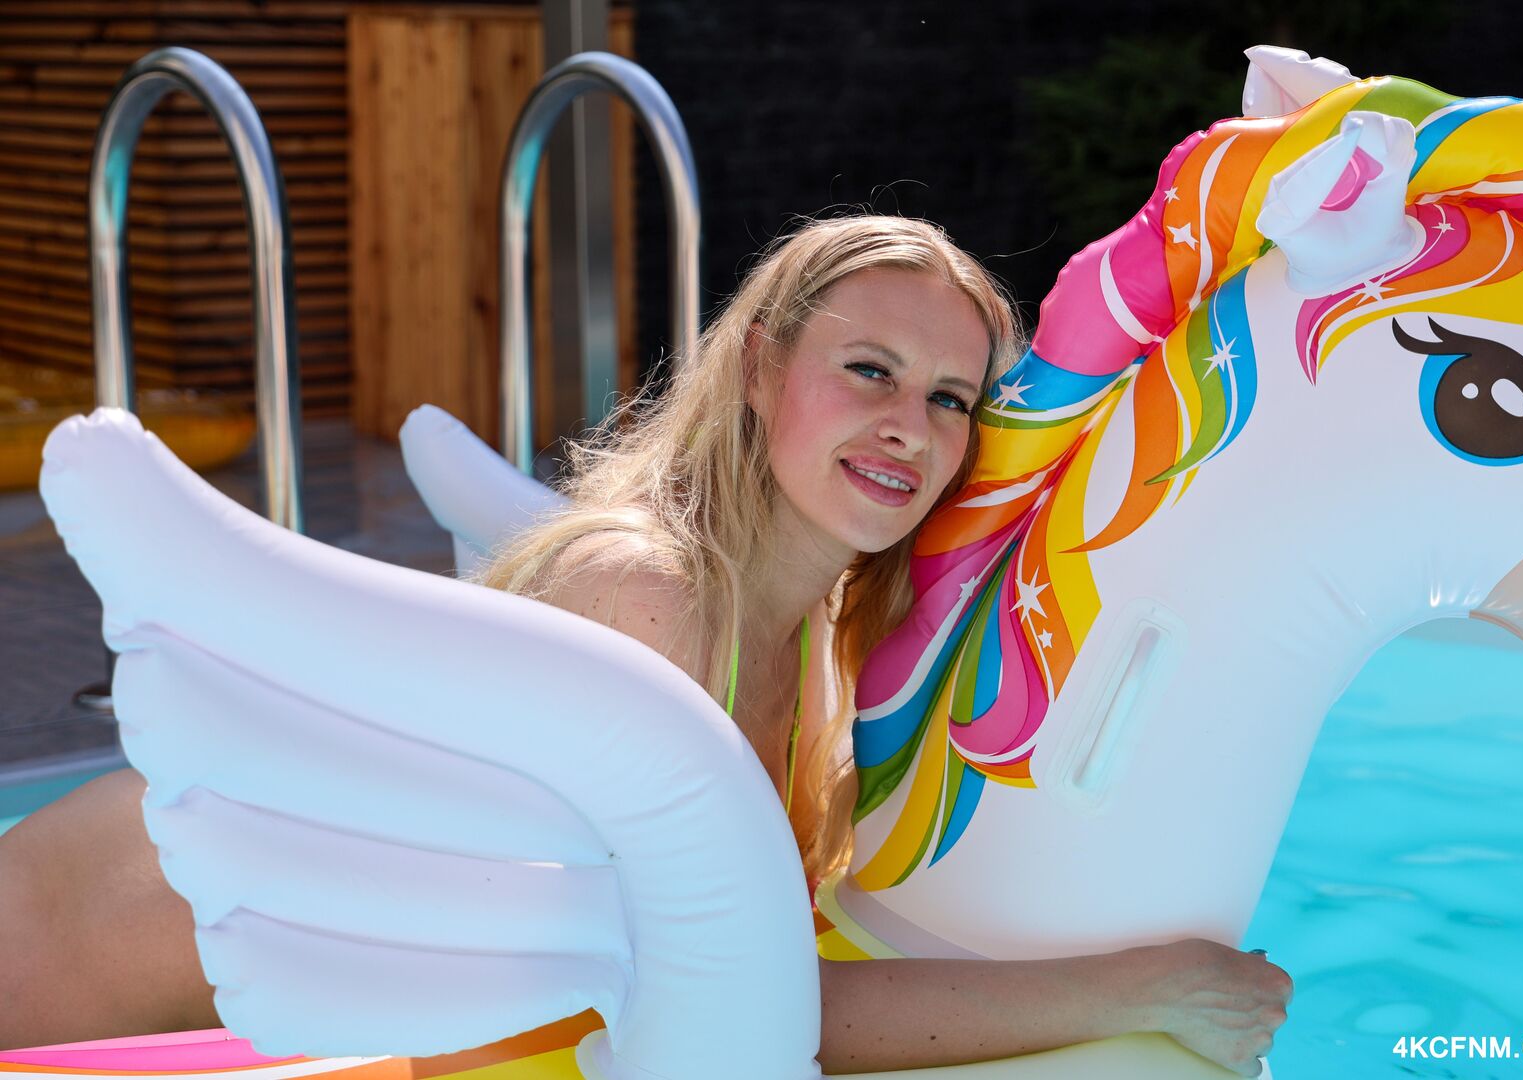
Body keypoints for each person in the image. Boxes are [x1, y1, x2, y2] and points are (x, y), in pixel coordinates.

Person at [0, 215, 1290, 1077]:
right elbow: (739, 1005)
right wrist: (1141, 989)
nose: (912, 424)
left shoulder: (824, 635)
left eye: (950, 397)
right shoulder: (650, 602)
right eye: (869, 371)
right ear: (759, 371)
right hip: (56, 973)